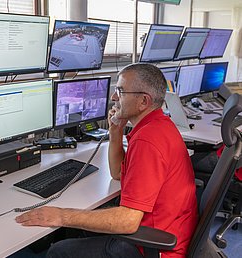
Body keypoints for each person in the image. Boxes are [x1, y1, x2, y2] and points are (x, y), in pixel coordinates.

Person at [15, 63, 198, 258]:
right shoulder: (157, 125)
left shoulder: (148, 140)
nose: (113, 97)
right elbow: (117, 173)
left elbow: (128, 221)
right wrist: (116, 131)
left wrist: (61, 215)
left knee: (59, 251)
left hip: (155, 248)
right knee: (82, 226)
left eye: (120, 91)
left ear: (143, 101)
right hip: (170, 230)